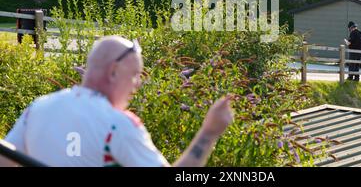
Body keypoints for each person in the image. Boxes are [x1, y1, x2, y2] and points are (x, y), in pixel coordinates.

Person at [1, 36, 234, 167]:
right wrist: (209, 132)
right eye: (134, 75)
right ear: (113, 72)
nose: (137, 85)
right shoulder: (118, 125)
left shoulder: (38, 107)